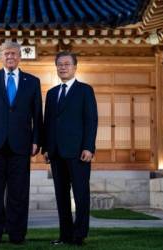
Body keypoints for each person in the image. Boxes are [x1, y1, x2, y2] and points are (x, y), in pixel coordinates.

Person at [0, 41, 43, 245]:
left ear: (20, 56)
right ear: (0, 56)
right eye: (6, 54)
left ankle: (17, 234)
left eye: (13, 53)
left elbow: (37, 114)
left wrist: (36, 140)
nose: (10, 57)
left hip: (21, 145)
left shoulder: (32, 81)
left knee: (18, 193)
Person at [43, 51, 98, 246]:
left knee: (81, 195)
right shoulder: (51, 94)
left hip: (78, 152)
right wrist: (47, 149)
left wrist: (88, 147)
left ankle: (79, 234)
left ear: (75, 67)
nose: (63, 67)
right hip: (56, 153)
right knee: (61, 196)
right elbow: (47, 123)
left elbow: (91, 121)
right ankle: (65, 235)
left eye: (67, 64)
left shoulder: (85, 90)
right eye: (59, 64)